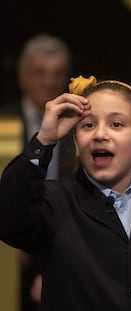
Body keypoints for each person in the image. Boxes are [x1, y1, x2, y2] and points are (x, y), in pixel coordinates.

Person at [0, 75, 131, 310]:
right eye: (88, 125)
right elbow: (9, 218)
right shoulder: (55, 202)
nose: (100, 134)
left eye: (116, 124)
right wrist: (43, 140)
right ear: (77, 145)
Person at [0, 33, 74, 311]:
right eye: (39, 72)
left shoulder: (82, 128)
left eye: (56, 73)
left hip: (65, 243)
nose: (48, 81)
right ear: (22, 77)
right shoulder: (2, 123)